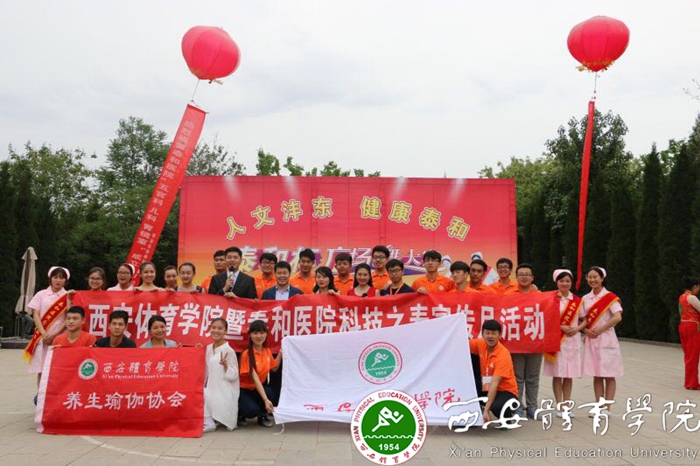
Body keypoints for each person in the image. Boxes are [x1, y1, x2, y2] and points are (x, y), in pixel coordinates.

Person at [543, 269, 586, 416]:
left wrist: (578, 328)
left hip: (572, 341)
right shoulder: (551, 298)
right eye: (561, 281)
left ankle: (567, 405)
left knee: (569, 375)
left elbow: (584, 319)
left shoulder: (577, 301)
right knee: (558, 374)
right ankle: (559, 405)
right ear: (556, 282)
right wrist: (561, 327)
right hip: (556, 340)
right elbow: (545, 318)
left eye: (568, 281)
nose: (565, 283)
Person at [581, 266, 623, 413]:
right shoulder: (585, 298)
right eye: (590, 277)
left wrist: (600, 329)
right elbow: (583, 319)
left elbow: (617, 317)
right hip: (592, 340)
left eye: (595, 277)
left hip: (607, 339)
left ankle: (607, 408)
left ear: (602, 278)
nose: (592, 280)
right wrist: (585, 330)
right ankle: (599, 406)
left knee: (609, 375)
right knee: (597, 375)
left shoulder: (610, 297)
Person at [507, 263, 541, 418]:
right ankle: (517, 407)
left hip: (535, 343)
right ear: (516, 277)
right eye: (521, 274)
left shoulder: (540, 295)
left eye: (527, 274)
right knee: (517, 377)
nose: (524, 277)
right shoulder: (509, 295)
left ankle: (532, 407)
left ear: (532, 277)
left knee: (533, 377)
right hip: (516, 343)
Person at [469, 320, 519, 424]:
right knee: (469, 389)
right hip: (486, 385)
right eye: (487, 333)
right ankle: (476, 414)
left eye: (493, 333)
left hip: (504, 390)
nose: (490, 336)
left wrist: (487, 410)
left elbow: (494, 384)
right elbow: (460, 343)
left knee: (497, 406)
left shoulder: (503, 355)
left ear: (500, 335)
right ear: (482, 334)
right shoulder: (480, 344)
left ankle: (506, 418)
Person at [28, 266, 69, 388]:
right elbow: (36, 314)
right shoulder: (41, 294)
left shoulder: (68, 296)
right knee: (42, 369)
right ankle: (40, 395)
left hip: (60, 336)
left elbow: (69, 318)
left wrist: (54, 335)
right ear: (50, 278)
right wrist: (44, 333)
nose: (58, 280)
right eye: (55, 277)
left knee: (57, 368)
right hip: (42, 337)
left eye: (61, 278)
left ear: (65, 280)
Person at [238, 320, 282, 427]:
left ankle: (262, 416)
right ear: (250, 335)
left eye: (262, 333)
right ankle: (240, 414)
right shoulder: (247, 354)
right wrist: (265, 400)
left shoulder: (267, 351)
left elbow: (274, 368)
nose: (259, 336)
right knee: (251, 410)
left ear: (266, 334)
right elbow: (255, 379)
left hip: (257, 389)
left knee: (271, 393)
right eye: (255, 333)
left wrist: (281, 353)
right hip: (244, 390)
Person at [204, 318, 240, 432]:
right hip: (211, 386)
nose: (216, 331)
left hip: (225, 389)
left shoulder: (228, 350)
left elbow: (234, 375)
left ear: (225, 331)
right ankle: (210, 421)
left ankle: (216, 420)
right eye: (214, 327)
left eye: (220, 328)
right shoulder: (208, 348)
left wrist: (225, 366)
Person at [679, 276, 700, 390]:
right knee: (693, 355)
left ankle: (690, 381)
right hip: (692, 327)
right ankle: (691, 383)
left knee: (688, 355)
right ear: (695, 286)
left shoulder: (682, 297)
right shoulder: (692, 297)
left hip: (683, 325)